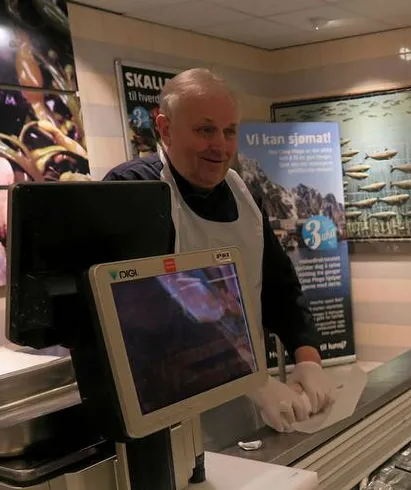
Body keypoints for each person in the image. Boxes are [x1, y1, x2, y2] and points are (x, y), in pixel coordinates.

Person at [103, 68, 334, 433]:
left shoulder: (245, 195)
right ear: (165, 129)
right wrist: (250, 380)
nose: (221, 146)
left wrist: (308, 358)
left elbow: (280, 289)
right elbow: (142, 318)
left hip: (249, 402)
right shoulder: (132, 191)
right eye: (205, 130)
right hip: (168, 409)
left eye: (229, 131)